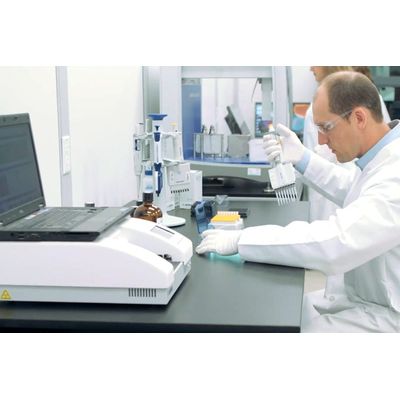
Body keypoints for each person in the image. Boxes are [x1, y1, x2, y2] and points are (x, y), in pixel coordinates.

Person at [196, 71, 400, 332]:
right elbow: (351, 188)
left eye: (326, 128)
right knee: (279, 309)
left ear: (359, 118)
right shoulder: (381, 160)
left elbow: (338, 241)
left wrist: (242, 240)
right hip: (364, 300)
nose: (322, 141)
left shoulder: (394, 174)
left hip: (387, 317)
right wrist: (302, 158)